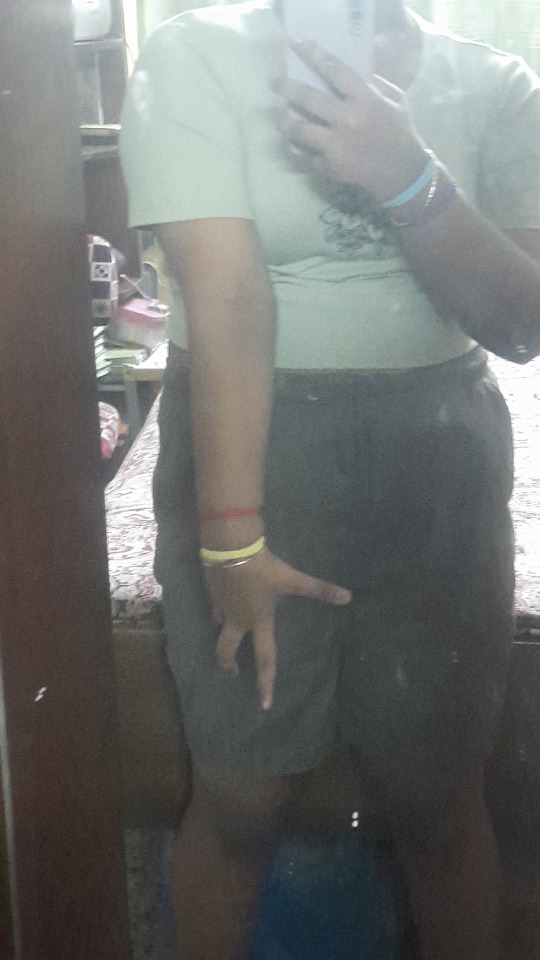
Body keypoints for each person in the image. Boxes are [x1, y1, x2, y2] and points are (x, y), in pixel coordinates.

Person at [119, 1, 540, 957]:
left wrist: (406, 174)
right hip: (252, 443)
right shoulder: (194, 54)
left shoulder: (499, 86)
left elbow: (521, 324)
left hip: (440, 459)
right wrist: (232, 537)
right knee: (238, 799)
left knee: (441, 801)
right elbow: (228, 299)